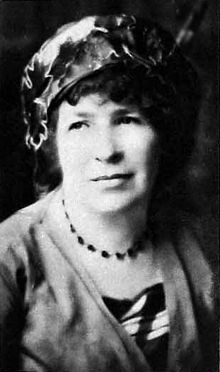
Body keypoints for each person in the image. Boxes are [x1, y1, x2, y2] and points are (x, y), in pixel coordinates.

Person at [0, 14, 217, 372]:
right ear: (52, 144)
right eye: (80, 124)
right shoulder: (11, 259)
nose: (105, 150)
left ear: (162, 136)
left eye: (127, 119)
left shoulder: (199, 248)